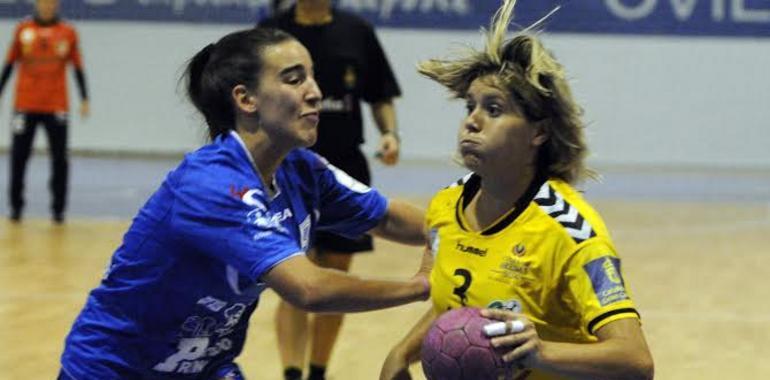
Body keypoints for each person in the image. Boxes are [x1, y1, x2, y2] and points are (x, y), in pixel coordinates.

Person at [58, 27, 431, 380]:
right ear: (245, 98)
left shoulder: (301, 169)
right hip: (115, 370)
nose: (316, 92)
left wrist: (466, 231)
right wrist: (419, 287)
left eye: (312, 77)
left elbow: (388, 218)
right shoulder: (212, 184)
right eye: (294, 79)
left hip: (206, 368)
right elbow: (309, 289)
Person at [379, 1, 655, 379]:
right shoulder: (446, 206)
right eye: (470, 106)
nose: (472, 122)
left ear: (538, 133)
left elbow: (636, 360)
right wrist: (400, 353)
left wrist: (541, 353)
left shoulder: (570, 232)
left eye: (494, 109)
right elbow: (458, 306)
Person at [258, 2, 403, 379]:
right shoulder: (272, 32)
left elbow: (380, 93)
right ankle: (291, 372)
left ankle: (318, 372)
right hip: (287, 164)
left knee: (337, 276)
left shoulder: (357, 31)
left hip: (344, 164)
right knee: (295, 271)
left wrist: (389, 133)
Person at [0, 0, 89, 223]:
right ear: (37, 4)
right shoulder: (23, 30)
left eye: (51, 2)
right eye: (43, 2)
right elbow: (10, 64)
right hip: (25, 105)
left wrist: (84, 98)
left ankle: (58, 210)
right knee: (19, 157)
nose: (47, 6)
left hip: (56, 106)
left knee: (59, 159)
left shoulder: (67, 32)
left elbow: (77, 67)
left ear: (56, 5)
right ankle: (16, 208)